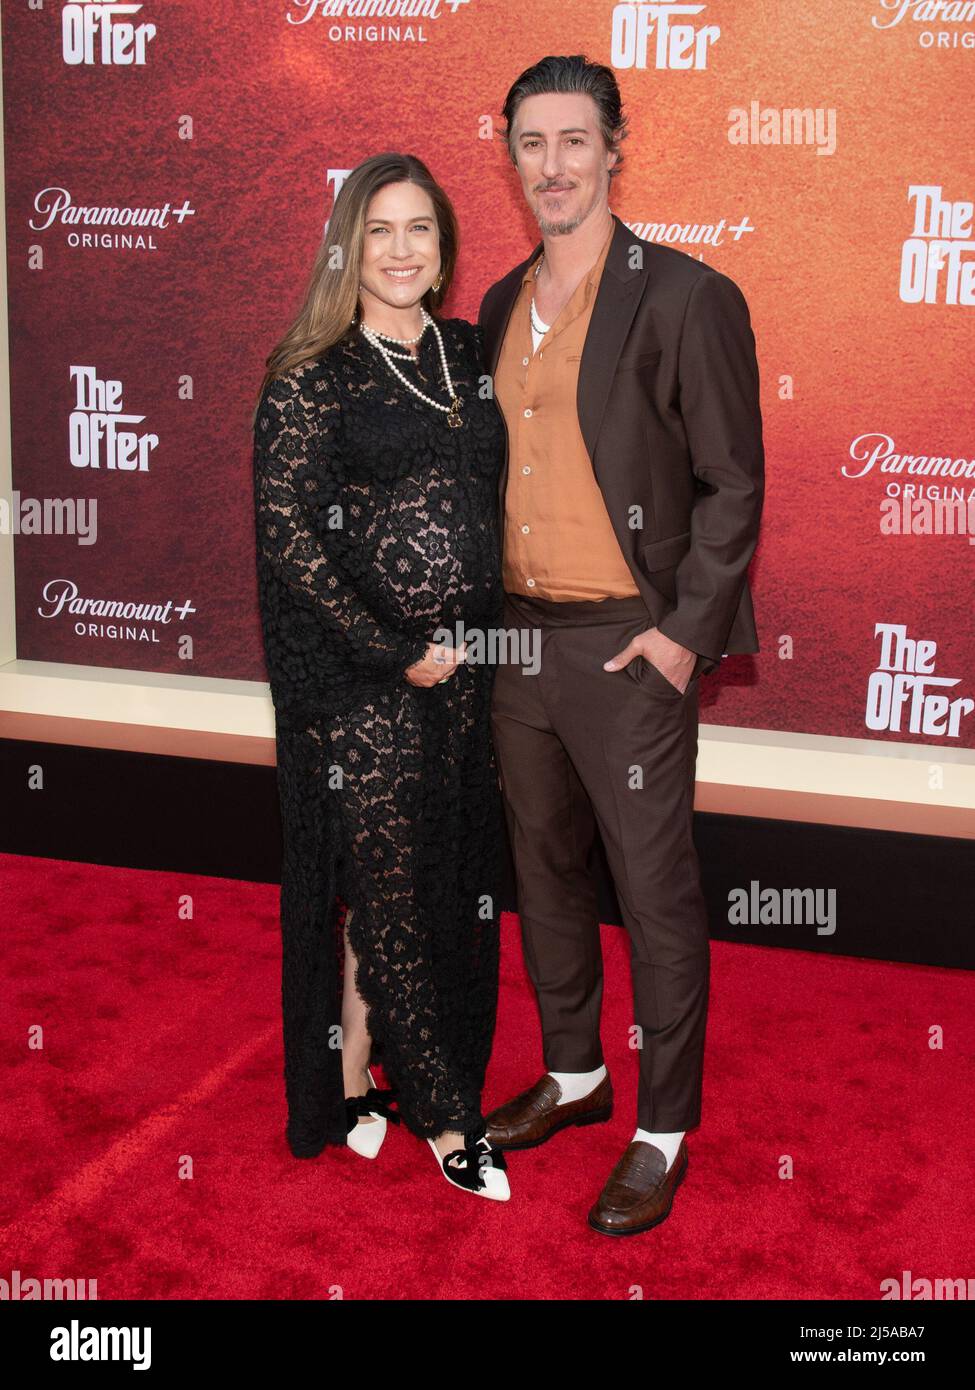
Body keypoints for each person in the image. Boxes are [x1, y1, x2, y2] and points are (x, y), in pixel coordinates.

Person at [479, 56, 765, 1233]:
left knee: (654, 894)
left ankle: (661, 1128)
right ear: (512, 158)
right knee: (542, 875)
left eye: (573, 141)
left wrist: (681, 640)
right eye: (531, 144)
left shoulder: (687, 297)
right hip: (519, 644)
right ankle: (576, 1073)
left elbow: (734, 484)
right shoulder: (497, 304)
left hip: (625, 649)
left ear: (614, 148)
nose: (553, 165)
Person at [252, 152, 510, 1200]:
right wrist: (390, 648)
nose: (402, 251)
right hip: (365, 677)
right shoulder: (312, 373)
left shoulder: (465, 352)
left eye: (421, 230)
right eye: (380, 231)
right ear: (347, 246)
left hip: (464, 668)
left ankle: (359, 1065)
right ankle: (449, 1119)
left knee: (421, 872)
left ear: (444, 247)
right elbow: (291, 540)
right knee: (391, 890)